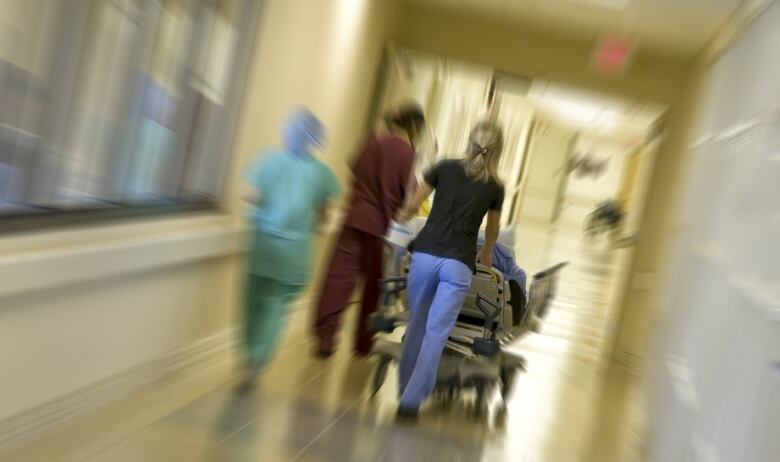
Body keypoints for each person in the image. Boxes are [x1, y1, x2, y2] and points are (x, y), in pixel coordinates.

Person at [395, 120, 505, 419]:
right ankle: (411, 403)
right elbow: (492, 230)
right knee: (436, 333)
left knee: (416, 324)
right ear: (498, 150)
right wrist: (485, 251)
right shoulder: (495, 186)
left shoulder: (443, 167)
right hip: (457, 264)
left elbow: (414, 204)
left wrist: (403, 215)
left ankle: (404, 387)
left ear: (470, 141)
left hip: (426, 254)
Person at [239, 108, 340, 391]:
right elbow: (323, 217)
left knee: (252, 303)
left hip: (263, 245)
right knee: (275, 307)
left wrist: (269, 202)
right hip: (295, 251)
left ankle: (248, 353)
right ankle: (258, 359)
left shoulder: (268, 161)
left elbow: (249, 194)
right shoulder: (322, 174)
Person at [313, 103, 425, 357]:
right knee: (373, 287)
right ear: (416, 127)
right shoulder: (409, 155)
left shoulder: (371, 141)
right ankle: (363, 344)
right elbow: (411, 198)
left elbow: (354, 172)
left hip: (354, 220)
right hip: (384, 230)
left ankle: (326, 338)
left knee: (339, 279)